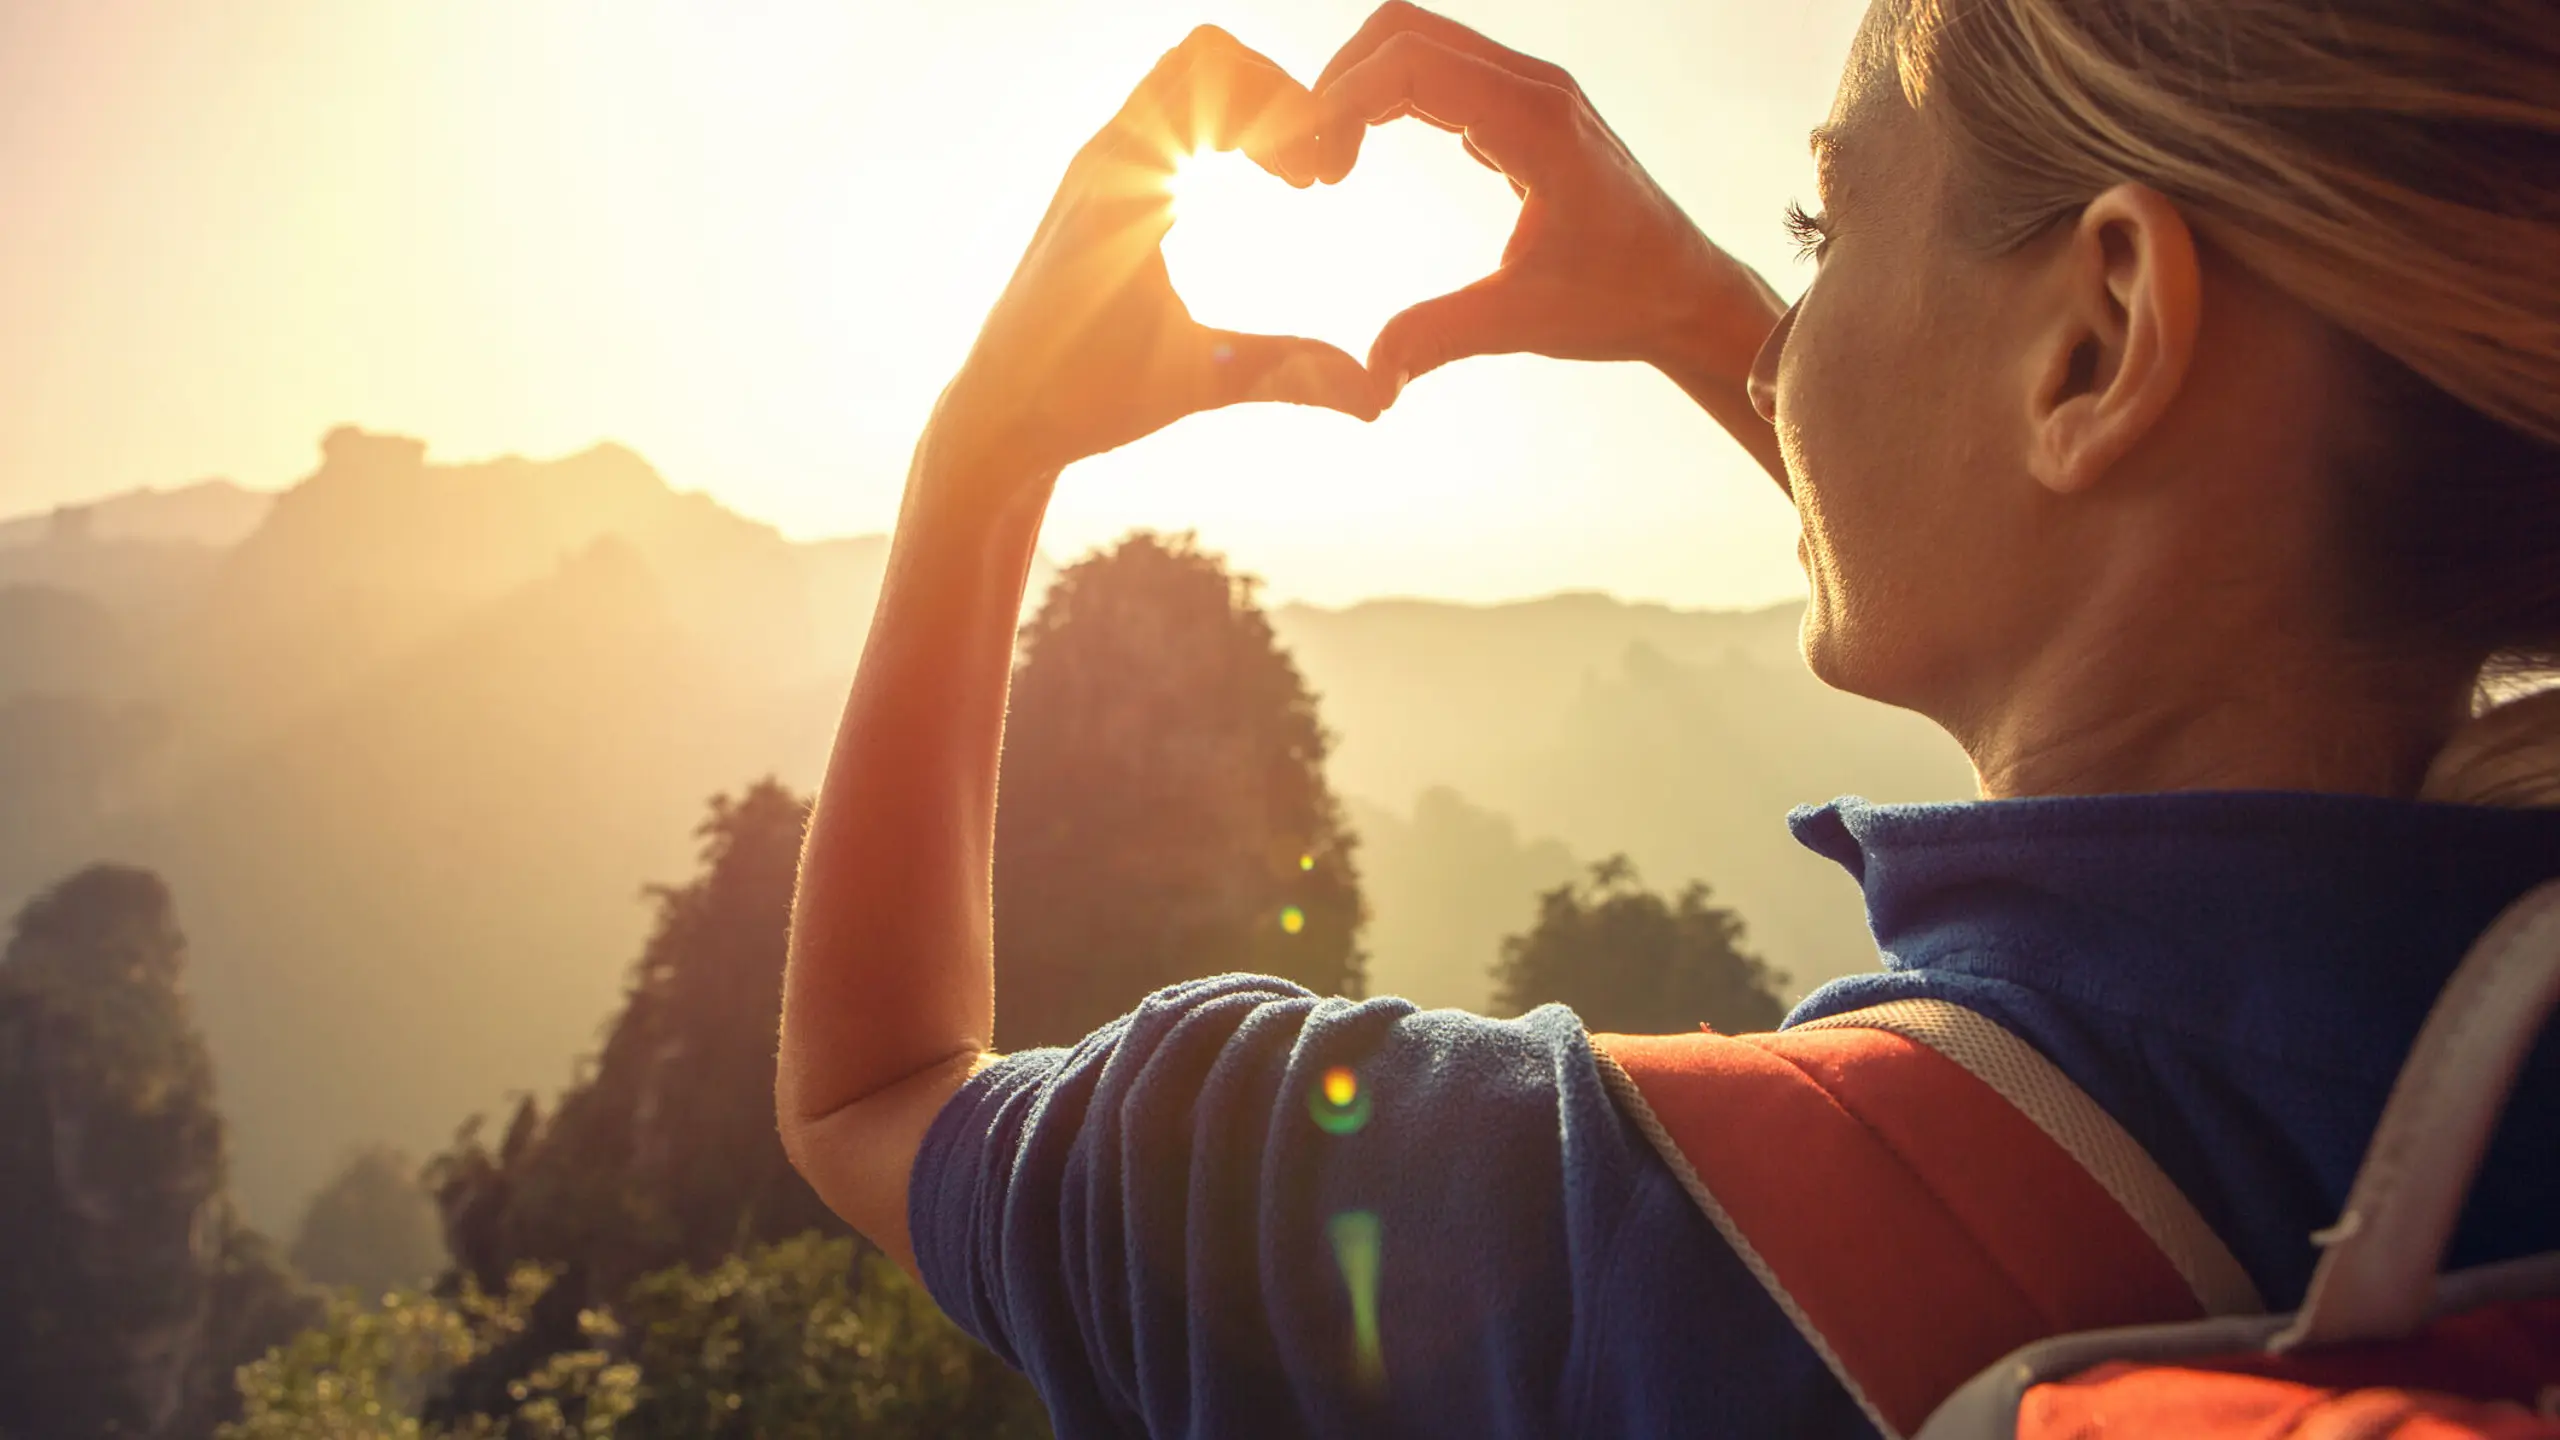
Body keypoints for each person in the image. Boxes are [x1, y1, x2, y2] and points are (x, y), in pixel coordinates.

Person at [776, 1, 2560, 1434]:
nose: (1793, 312)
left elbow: (870, 1094)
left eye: (1828, 221)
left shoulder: (1528, 1223)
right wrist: (1693, 306)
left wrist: (981, 459)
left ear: (2094, 344)